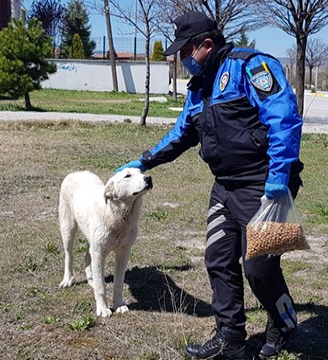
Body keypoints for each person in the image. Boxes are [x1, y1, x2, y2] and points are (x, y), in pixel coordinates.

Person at [116, 11, 304, 360]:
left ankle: (283, 322)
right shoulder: (199, 88)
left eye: (185, 52)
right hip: (225, 186)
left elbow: (284, 120)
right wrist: (145, 160)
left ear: (205, 44)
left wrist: (279, 177)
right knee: (218, 260)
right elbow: (182, 133)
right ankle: (230, 337)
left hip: (264, 184)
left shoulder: (251, 67)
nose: (182, 60)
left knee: (260, 269)